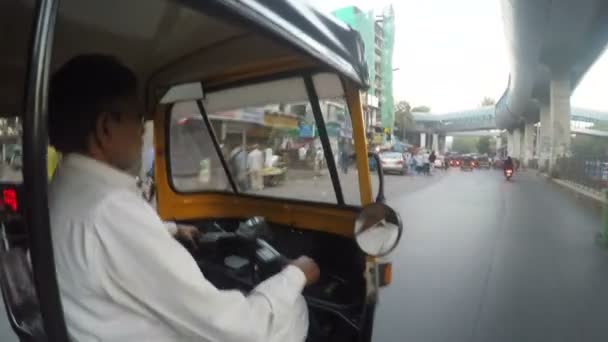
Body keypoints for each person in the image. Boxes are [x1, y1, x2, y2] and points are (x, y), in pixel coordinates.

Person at [47, 55, 319, 342]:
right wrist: (294, 276)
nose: (142, 131)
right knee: (292, 310)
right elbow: (238, 330)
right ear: (105, 128)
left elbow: (107, 246)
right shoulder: (111, 210)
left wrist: (172, 230)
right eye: (138, 119)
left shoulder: (64, 188)